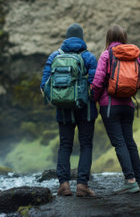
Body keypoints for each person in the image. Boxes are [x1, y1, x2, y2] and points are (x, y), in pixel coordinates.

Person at [91, 25, 140, 193]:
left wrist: (93, 100)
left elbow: (97, 82)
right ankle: (139, 182)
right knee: (130, 142)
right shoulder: (133, 56)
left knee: (119, 143)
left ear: (108, 39)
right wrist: (129, 86)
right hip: (128, 106)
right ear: (124, 37)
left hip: (110, 106)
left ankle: (130, 180)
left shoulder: (106, 55)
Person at [40, 23, 98, 197]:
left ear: (66, 37)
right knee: (86, 145)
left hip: (63, 110)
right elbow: (95, 85)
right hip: (85, 110)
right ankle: (82, 185)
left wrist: (60, 99)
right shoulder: (88, 56)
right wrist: (90, 99)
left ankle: (64, 185)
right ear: (81, 38)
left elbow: (44, 85)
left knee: (65, 146)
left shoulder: (54, 56)